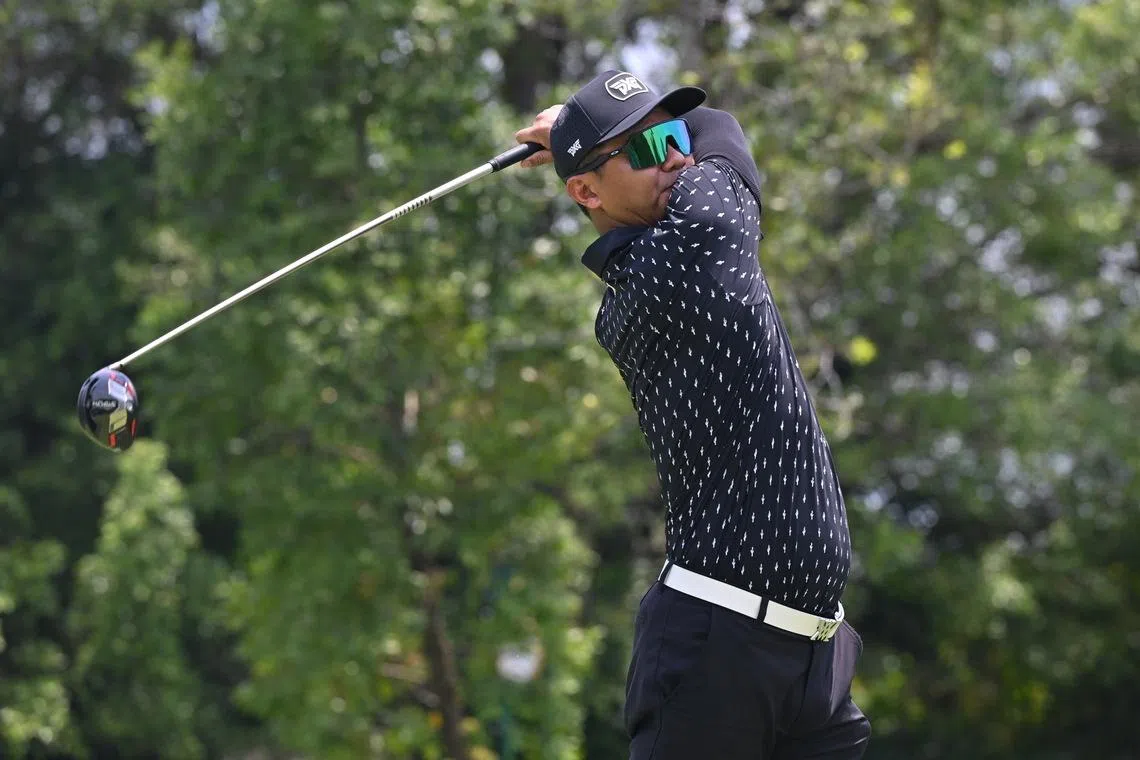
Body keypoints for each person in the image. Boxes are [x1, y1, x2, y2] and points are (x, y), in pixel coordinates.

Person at [514, 70, 871, 759]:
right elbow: (723, 132)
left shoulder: (674, 250)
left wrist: (578, 134)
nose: (677, 157)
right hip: (717, 652)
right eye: (647, 149)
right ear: (586, 193)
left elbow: (704, 136)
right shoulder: (687, 250)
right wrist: (568, 127)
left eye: (674, 135)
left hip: (813, 656)